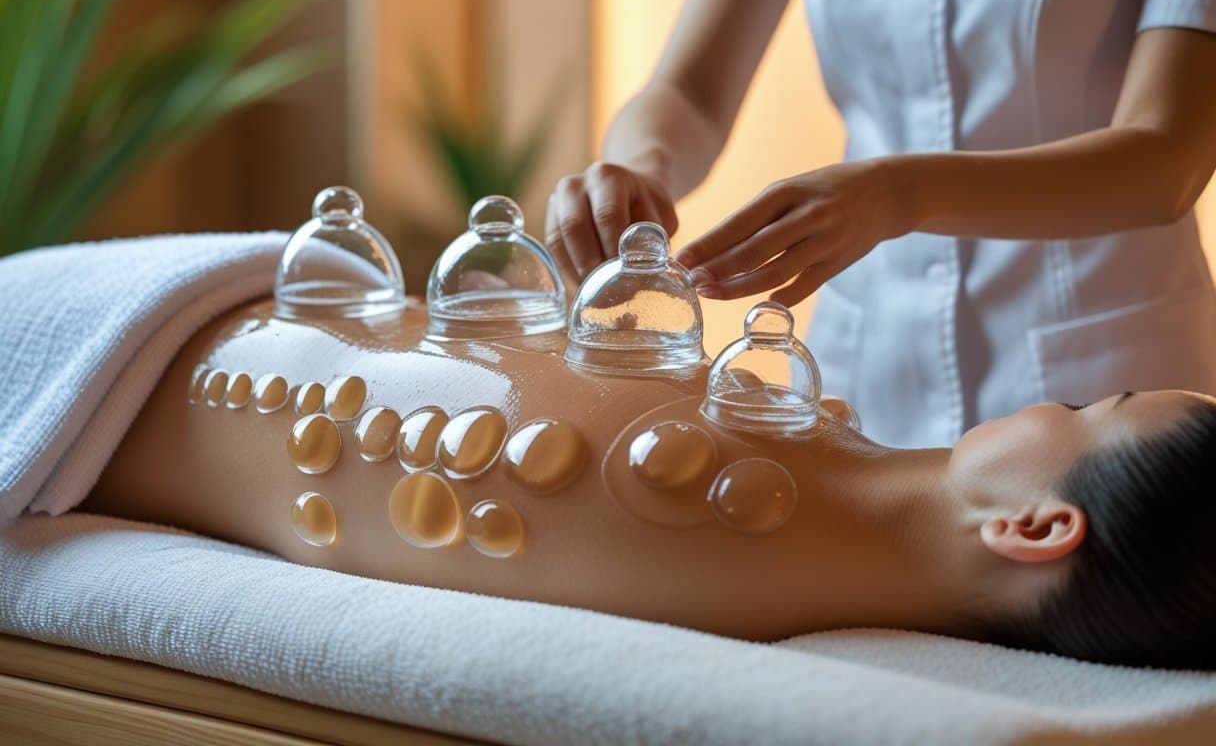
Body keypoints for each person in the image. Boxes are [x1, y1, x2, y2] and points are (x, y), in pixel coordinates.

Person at [81, 296, 1216, 670]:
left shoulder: (736, 524)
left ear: (1033, 525)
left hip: (130, 357)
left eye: (1082, 413)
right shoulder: (807, 471)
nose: (1057, 395)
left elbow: (324, 418)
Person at [546, 0, 1216, 448]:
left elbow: (1167, 159)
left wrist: (900, 195)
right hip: (872, 361)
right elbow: (688, 91)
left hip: (1105, 375)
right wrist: (639, 170)